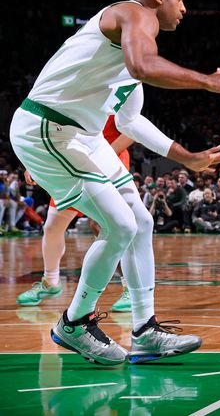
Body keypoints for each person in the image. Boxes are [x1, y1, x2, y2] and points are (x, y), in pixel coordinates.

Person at [9, 0, 220, 365]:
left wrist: (187, 157)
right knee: (119, 225)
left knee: (140, 222)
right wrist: (209, 83)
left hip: (82, 135)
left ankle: (145, 331)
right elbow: (145, 65)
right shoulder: (135, 14)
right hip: (49, 127)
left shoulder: (129, 56)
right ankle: (75, 323)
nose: (185, 8)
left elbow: (128, 122)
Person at [16, 115, 133, 311]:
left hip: (109, 160)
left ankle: (131, 287)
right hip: (72, 161)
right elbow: (51, 127)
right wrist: (33, 162)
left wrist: (102, 155)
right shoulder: (69, 91)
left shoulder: (118, 88)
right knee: (52, 227)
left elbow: (132, 131)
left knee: (108, 225)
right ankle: (50, 281)